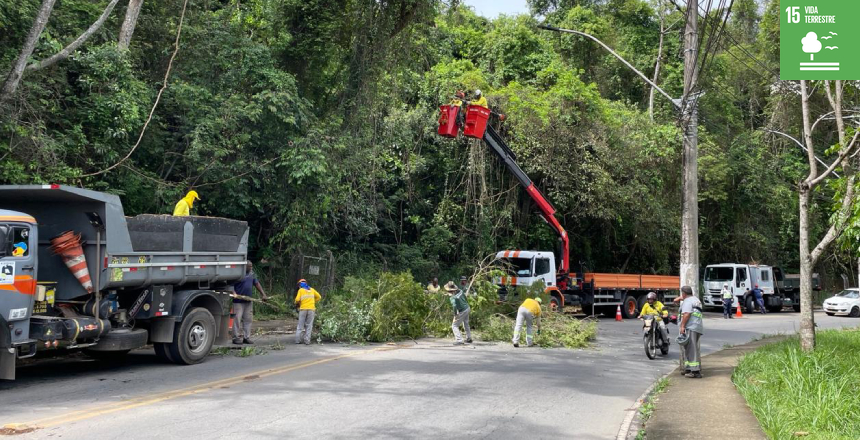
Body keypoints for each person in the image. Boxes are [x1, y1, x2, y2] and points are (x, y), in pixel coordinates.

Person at [232, 261, 269, 345]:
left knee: (248, 319)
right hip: (238, 302)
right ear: (245, 266)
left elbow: (257, 284)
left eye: (251, 266)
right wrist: (234, 293)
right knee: (237, 320)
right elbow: (231, 285)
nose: (251, 268)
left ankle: (246, 337)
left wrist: (263, 294)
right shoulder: (238, 274)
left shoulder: (252, 274)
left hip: (248, 301)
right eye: (249, 266)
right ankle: (235, 337)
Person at [678, 285, 704, 378]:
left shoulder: (687, 301)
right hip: (697, 327)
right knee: (689, 348)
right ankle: (689, 368)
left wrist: (682, 326)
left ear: (684, 293)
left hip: (690, 327)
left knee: (691, 349)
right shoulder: (696, 299)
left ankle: (695, 371)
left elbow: (687, 314)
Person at [294, 279, 322, 345]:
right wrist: (313, 302)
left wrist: (296, 303)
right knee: (309, 325)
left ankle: (298, 340)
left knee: (300, 325)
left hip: (303, 309)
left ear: (300, 285)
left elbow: (297, 299)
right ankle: (307, 341)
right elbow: (319, 297)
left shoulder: (301, 290)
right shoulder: (312, 289)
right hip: (311, 309)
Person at [445, 281, 472, 345]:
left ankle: (459, 340)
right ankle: (469, 338)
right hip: (467, 308)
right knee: (466, 323)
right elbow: (465, 298)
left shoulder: (452, 298)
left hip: (462, 310)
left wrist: (455, 315)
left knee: (454, 325)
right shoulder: (460, 291)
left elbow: (454, 306)